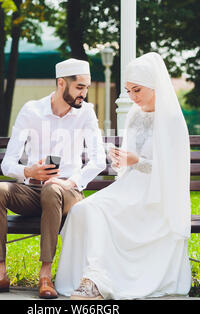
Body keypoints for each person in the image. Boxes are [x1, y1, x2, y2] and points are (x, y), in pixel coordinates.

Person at [55, 52, 192, 300]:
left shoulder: (171, 119)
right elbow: (129, 163)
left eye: (137, 90)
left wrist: (136, 160)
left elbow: (173, 169)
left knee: (98, 210)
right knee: (82, 210)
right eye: (128, 91)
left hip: (157, 194)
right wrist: (122, 160)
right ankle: (84, 277)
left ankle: (96, 281)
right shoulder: (135, 115)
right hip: (130, 186)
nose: (132, 97)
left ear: (154, 86)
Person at [0, 58, 107, 299]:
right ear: (61, 83)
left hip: (67, 191)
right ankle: (0, 273)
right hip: (33, 190)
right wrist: (28, 172)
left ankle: (45, 276)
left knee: (52, 190)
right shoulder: (32, 111)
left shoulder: (86, 113)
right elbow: (7, 164)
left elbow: (98, 160)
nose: (83, 95)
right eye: (79, 88)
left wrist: (69, 182)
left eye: (86, 88)